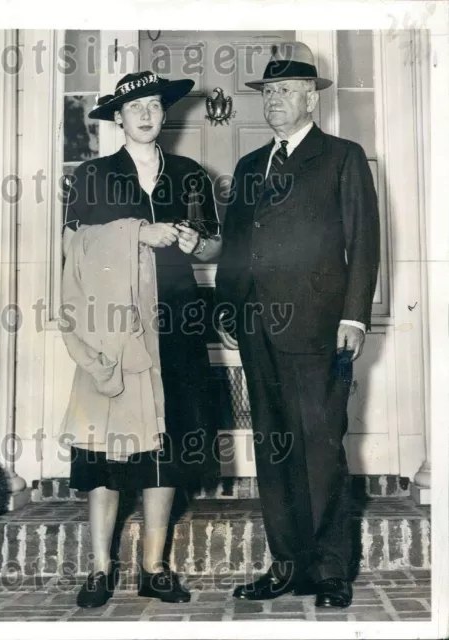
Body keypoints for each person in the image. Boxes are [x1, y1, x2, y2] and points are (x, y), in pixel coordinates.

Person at [215, 42, 380, 608]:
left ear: (312, 97)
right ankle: (286, 563)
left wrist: (355, 315)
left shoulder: (342, 157)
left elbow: (363, 244)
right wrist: (227, 307)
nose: (275, 101)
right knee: (275, 447)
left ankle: (330, 568)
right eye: (269, 92)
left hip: (319, 328)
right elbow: (236, 249)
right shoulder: (248, 166)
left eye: (286, 91)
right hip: (258, 327)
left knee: (321, 444)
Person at [62, 71, 222, 608]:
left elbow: (213, 249)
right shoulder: (94, 174)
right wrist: (136, 230)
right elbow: (75, 247)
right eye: (137, 107)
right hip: (115, 326)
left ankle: (154, 566)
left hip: (176, 324)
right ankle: (101, 568)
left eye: (155, 104)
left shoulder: (190, 175)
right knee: (105, 446)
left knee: (167, 444)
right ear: (119, 118)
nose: (148, 114)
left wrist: (198, 242)